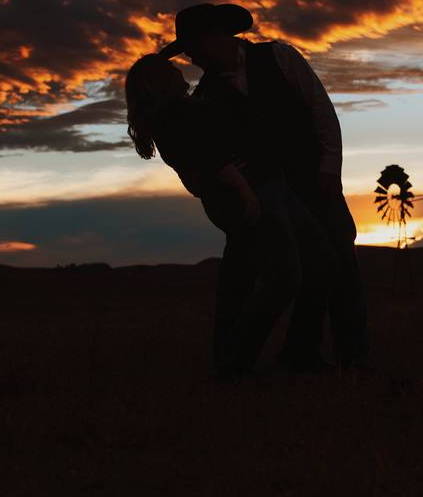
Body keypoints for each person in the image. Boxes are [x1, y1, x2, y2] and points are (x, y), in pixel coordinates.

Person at [159, 3, 370, 370]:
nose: (192, 58)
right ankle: (277, 358)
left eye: (194, 47)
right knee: (263, 274)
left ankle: (348, 356)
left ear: (217, 36)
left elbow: (321, 112)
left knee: (338, 261)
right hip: (262, 197)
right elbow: (205, 156)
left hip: (313, 181)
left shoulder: (280, 56)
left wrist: (328, 172)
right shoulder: (205, 98)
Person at [124, 53, 335, 379]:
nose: (181, 70)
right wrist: (243, 190)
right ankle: (238, 363)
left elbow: (198, 169)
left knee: (308, 261)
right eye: (172, 69)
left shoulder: (178, 112)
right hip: (257, 190)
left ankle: (273, 356)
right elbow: (209, 156)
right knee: (286, 275)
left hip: (265, 186)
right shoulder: (176, 115)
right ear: (160, 82)